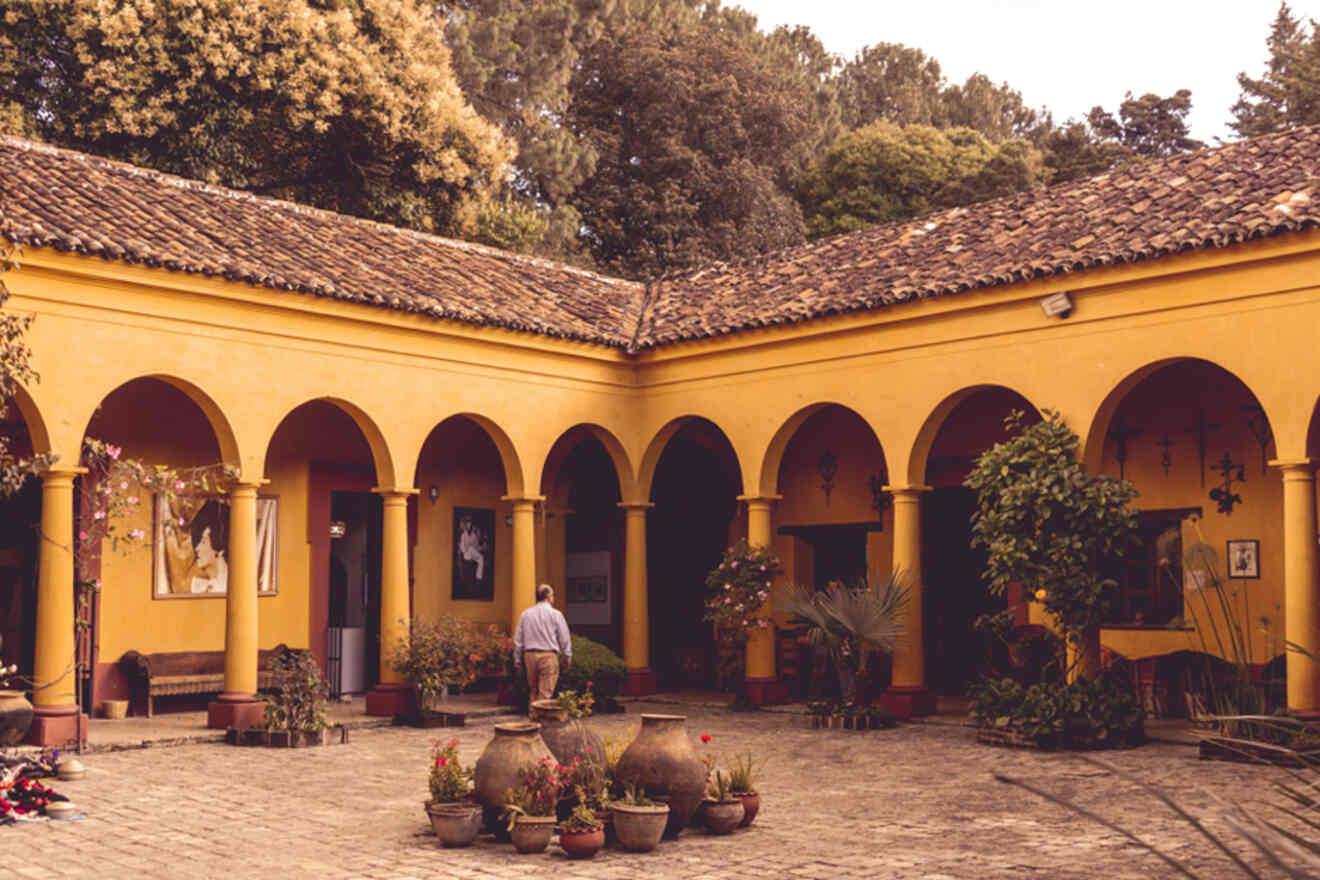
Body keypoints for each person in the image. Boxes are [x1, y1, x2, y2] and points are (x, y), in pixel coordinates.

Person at [512, 583, 572, 702]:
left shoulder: (526, 614)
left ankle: (534, 717)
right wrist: (567, 657)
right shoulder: (556, 614)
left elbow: (518, 639)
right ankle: (540, 718)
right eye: (553, 595)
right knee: (545, 693)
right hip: (548, 656)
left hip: (530, 656)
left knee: (533, 691)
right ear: (549, 597)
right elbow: (564, 638)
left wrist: (517, 659)